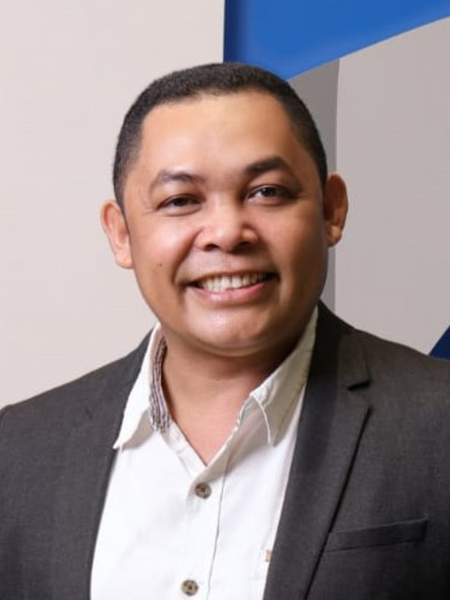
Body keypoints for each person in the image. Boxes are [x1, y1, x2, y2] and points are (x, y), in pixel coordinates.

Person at [1, 62, 450, 600]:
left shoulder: (437, 423)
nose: (227, 233)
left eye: (267, 192)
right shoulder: (19, 450)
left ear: (332, 210)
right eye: (180, 201)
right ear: (121, 234)